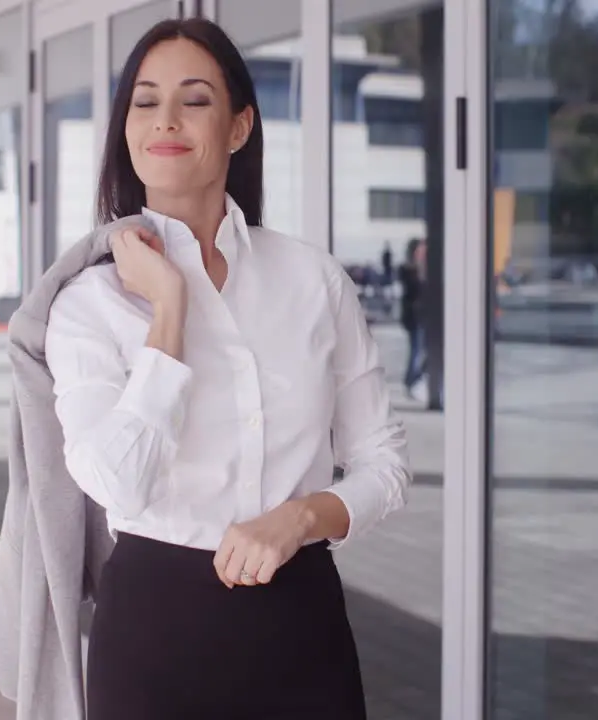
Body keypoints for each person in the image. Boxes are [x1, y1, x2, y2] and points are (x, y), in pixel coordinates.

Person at [43, 18, 411, 719]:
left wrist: (304, 517)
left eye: (196, 99)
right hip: (154, 633)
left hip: (302, 628)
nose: (166, 120)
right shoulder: (87, 305)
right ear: (126, 128)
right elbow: (116, 481)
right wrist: (169, 309)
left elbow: (383, 463)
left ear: (239, 128)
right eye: (145, 101)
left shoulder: (313, 279)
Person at [398, 237, 427, 400]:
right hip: (414, 317)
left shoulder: (422, 268)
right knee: (416, 348)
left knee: (422, 348)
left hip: (423, 316)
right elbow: (414, 289)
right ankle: (411, 380)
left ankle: (415, 378)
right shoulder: (408, 269)